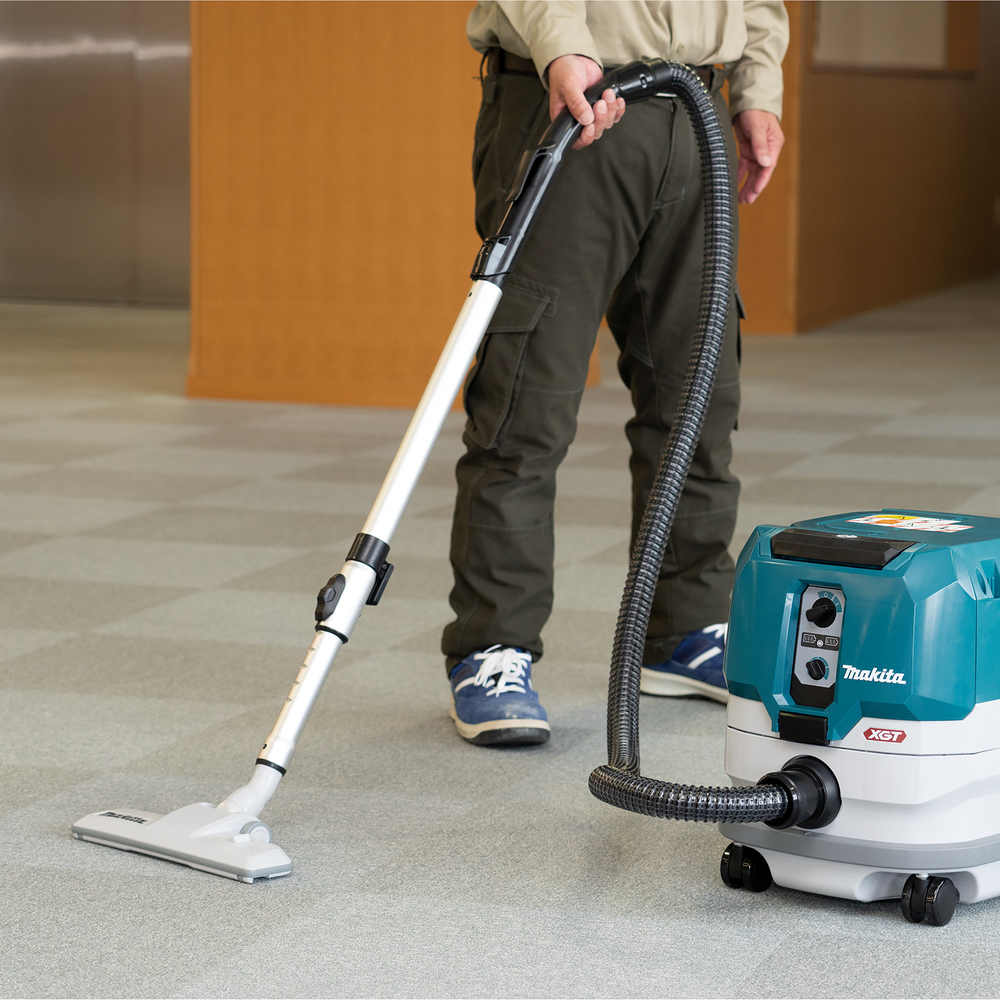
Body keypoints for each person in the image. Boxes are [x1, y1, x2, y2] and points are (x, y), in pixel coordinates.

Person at [444, 1, 789, 746]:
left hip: (695, 112)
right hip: (573, 105)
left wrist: (758, 88)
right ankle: (492, 646)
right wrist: (562, 48)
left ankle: (685, 626)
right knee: (528, 397)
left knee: (697, 393)